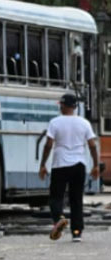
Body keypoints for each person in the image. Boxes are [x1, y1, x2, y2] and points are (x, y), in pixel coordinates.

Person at [39, 93, 99, 242]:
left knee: (56, 197)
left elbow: (48, 145)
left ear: (64, 106)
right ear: (75, 107)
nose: (60, 107)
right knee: (76, 199)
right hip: (79, 165)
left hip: (60, 164)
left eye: (61, 105)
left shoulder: (55, 122)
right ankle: (77, 232)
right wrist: (96, 165)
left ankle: (59, 218)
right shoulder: (84, 123)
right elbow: (92, 146)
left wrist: (42, 164)